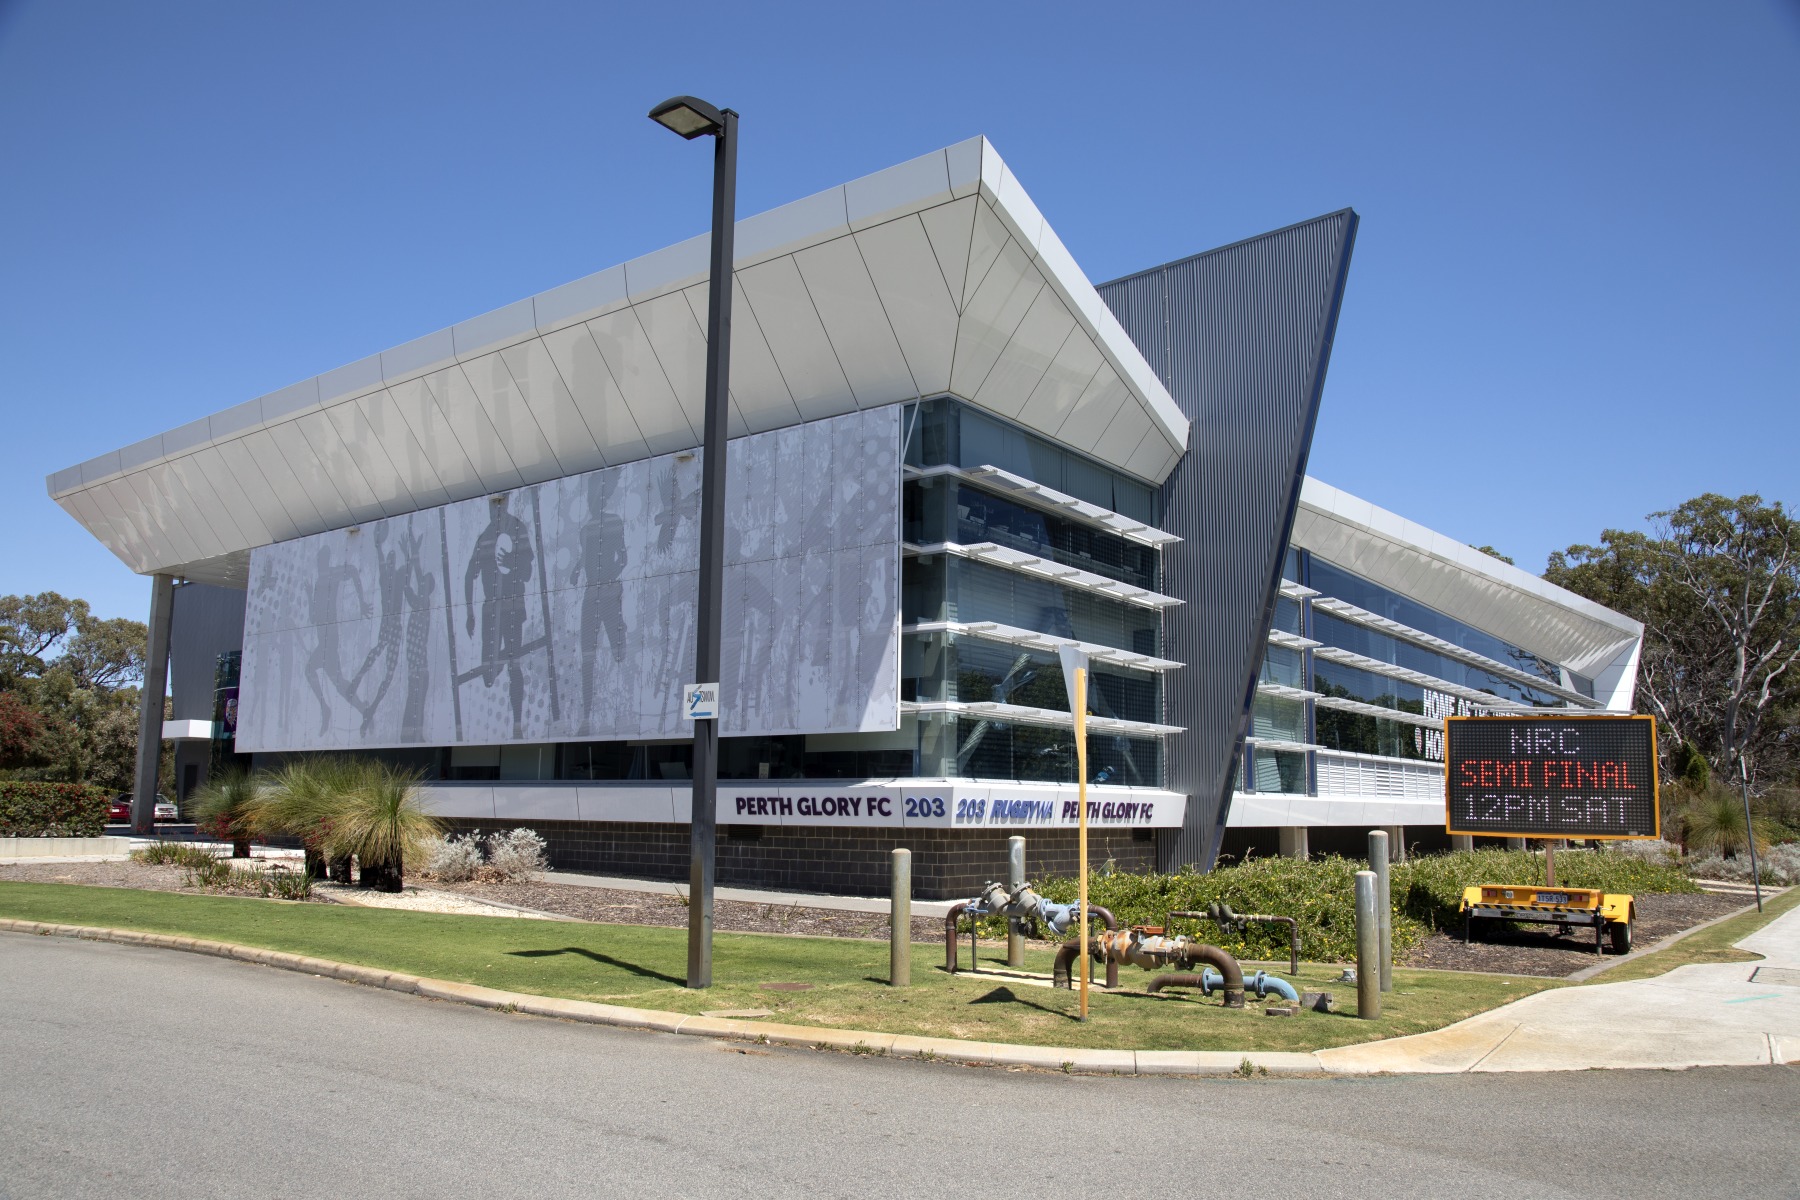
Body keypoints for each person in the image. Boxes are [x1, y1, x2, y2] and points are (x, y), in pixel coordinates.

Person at [465, 501, 534, 739]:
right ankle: (504, 658)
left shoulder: (517, 527)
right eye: (492, 506)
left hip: (513, 606)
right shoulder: (484, 537)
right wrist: (469, 613)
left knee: (514, 666)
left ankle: (517, 725)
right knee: (488, 676)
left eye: (500, 504)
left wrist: (512, 562)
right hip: (490, 612)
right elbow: (469, 574)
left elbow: (528, 572)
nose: (496, 510)